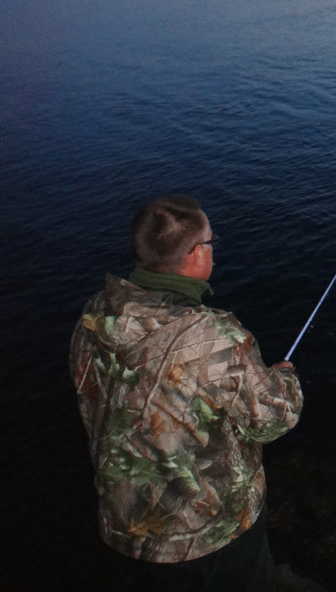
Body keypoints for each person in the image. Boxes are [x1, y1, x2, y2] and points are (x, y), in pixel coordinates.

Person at [69, 194, 303, 591]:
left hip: (126, 528)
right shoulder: (212, 335)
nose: (213, 250)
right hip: (208, 535)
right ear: (195, 255)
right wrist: (282, 380)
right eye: (211, 243)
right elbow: (273, 419)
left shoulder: (95, 316)